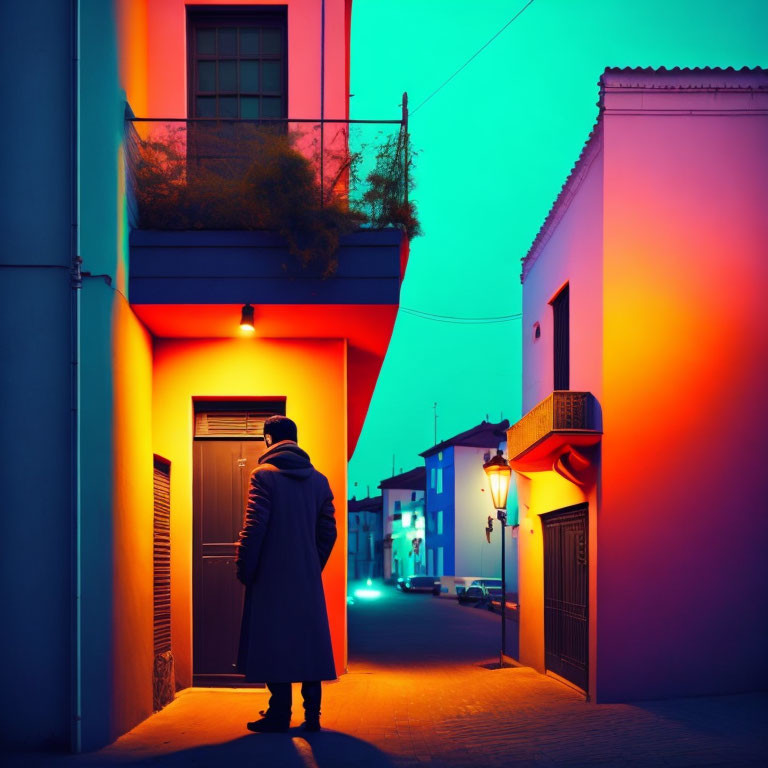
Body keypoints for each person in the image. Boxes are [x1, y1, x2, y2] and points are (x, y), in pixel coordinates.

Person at [235, 415, 337, 733]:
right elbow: (328, 532)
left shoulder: (263, 476)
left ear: (268, 439)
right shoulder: (320, 481)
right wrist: (310, 563)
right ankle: (313, 717)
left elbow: (254, 528)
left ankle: (279, 715)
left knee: (273, 642)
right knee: (309, 643)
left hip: (270, 578)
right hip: (306, 579)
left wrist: (246, 569)